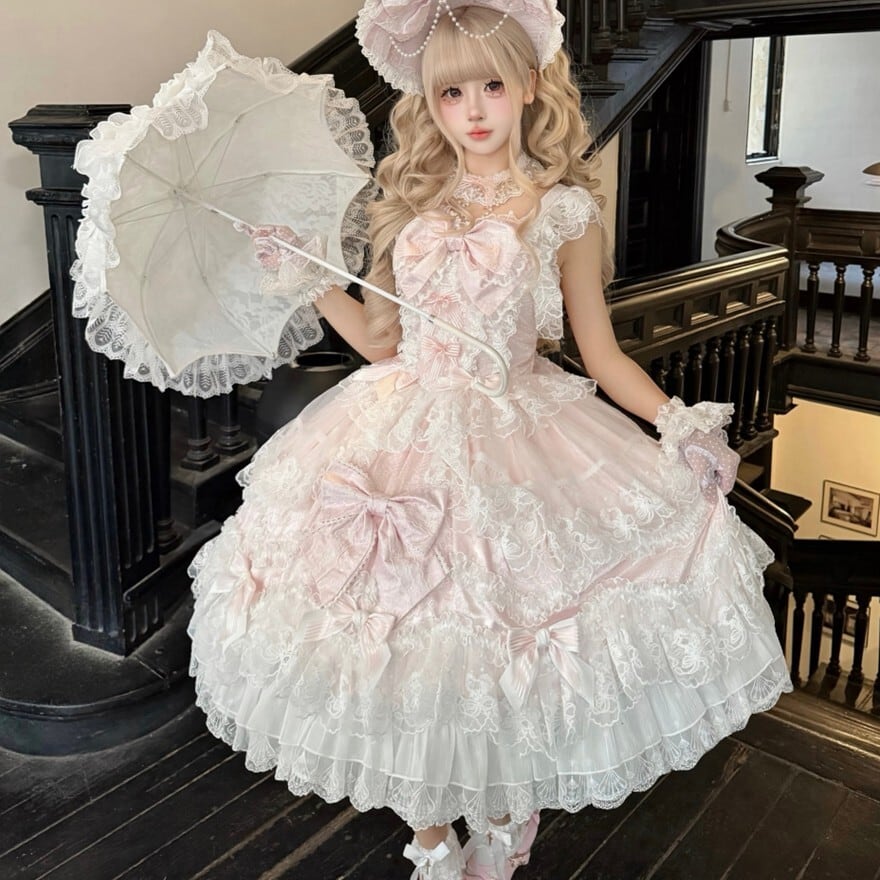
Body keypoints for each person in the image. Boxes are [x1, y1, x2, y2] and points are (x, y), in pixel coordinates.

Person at [187, 2, 792, 877]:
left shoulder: (564, 211)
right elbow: (382, 344)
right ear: (427, 103)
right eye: (450, 94)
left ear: (529, 87)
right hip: (397, 430)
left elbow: (600, 353)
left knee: (501, 635)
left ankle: (506, 821)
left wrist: (677, 424)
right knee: (403, 647)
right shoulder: (407, 202)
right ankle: (433, 842)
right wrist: (307, 278)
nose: (471, 110)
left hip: (519, 432)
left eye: (491, 87)